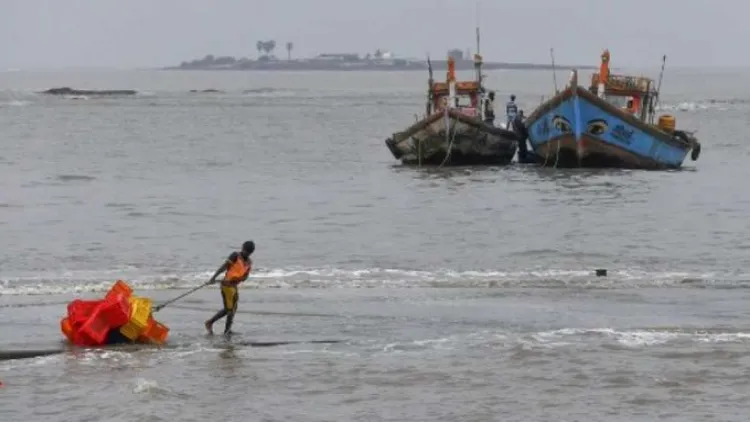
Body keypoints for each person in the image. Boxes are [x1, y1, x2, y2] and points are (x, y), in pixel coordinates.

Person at [204, 240, 255, 336]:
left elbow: (245, 276)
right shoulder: (235, 255)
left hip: (234, 286)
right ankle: (220, 328)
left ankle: (225, 329)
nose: (246, 253)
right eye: (245, 251)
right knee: (229, 310)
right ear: (242, 248)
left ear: (251, 252)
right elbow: (224, 267)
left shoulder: (249, 262)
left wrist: (241, 278)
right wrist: (213, 278)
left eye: (249, 252)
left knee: (233, 309)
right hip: (226, 286)